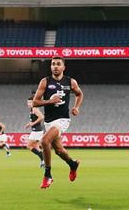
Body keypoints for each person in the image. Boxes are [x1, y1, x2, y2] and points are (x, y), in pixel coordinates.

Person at [32, 56, 84, 189]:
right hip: (49, 121)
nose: (55, 66)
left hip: (62, 120)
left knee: (44, 141)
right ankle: (72, 164)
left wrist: (76, 107)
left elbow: (79, 94)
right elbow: (35, 102)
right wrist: (50, 101)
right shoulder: (45, 82)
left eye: (58, 64)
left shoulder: (70, 82)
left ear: (63, 67)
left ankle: (47, 175)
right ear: (51, 67)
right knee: (59, 150)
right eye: (53, 64)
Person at [24, 98, 45, 167]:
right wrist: (28, 124)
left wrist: (33, 124)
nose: (29, 104)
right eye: (28, 102)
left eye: (30, 102)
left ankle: (43, 159)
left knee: (29, 146)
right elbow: (33, 119)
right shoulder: (32, 110)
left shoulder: (35, 109)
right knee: (36, 147)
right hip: (37, 130)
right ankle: (43, 161)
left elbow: (41, 117)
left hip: (37, 131)